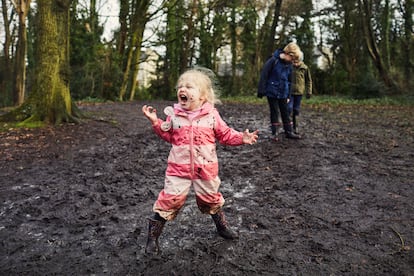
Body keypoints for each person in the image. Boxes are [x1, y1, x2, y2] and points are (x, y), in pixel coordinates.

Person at [141, 68, 259, 255]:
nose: (183, 89)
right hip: (178, 169)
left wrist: (241, 138)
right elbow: (169, 136)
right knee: (169, 200)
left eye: (189, 86)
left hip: (205, 169)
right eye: (180, 86)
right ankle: (152, 237)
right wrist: (156, 122)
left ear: (203, 96)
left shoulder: (212, 115)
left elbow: (225, 134)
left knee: (210, 198)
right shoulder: (174, 115)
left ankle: (221, 227)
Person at [257, 42, 302, 141]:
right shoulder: (273, 61)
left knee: (285, 112)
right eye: (292, 58)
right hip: (272, 91)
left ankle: (289, 131)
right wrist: (261, 90)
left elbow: (290, 80)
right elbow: (264, 74)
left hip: (284, 92)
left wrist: (289, 95)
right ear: (288, 54)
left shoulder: (289, 65)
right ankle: (275, 132)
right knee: (274, 112)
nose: (293, 61)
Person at [288, 51, 312, 134]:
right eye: (294, 61)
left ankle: (296, 127)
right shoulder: (289, 67)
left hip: (299, 92)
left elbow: (308, 81)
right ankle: (288, 127)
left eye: (297, 62)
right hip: (290, 92)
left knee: (296, 110)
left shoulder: (305, 68)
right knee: (289, 109)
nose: (295, 63)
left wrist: (309, 91)